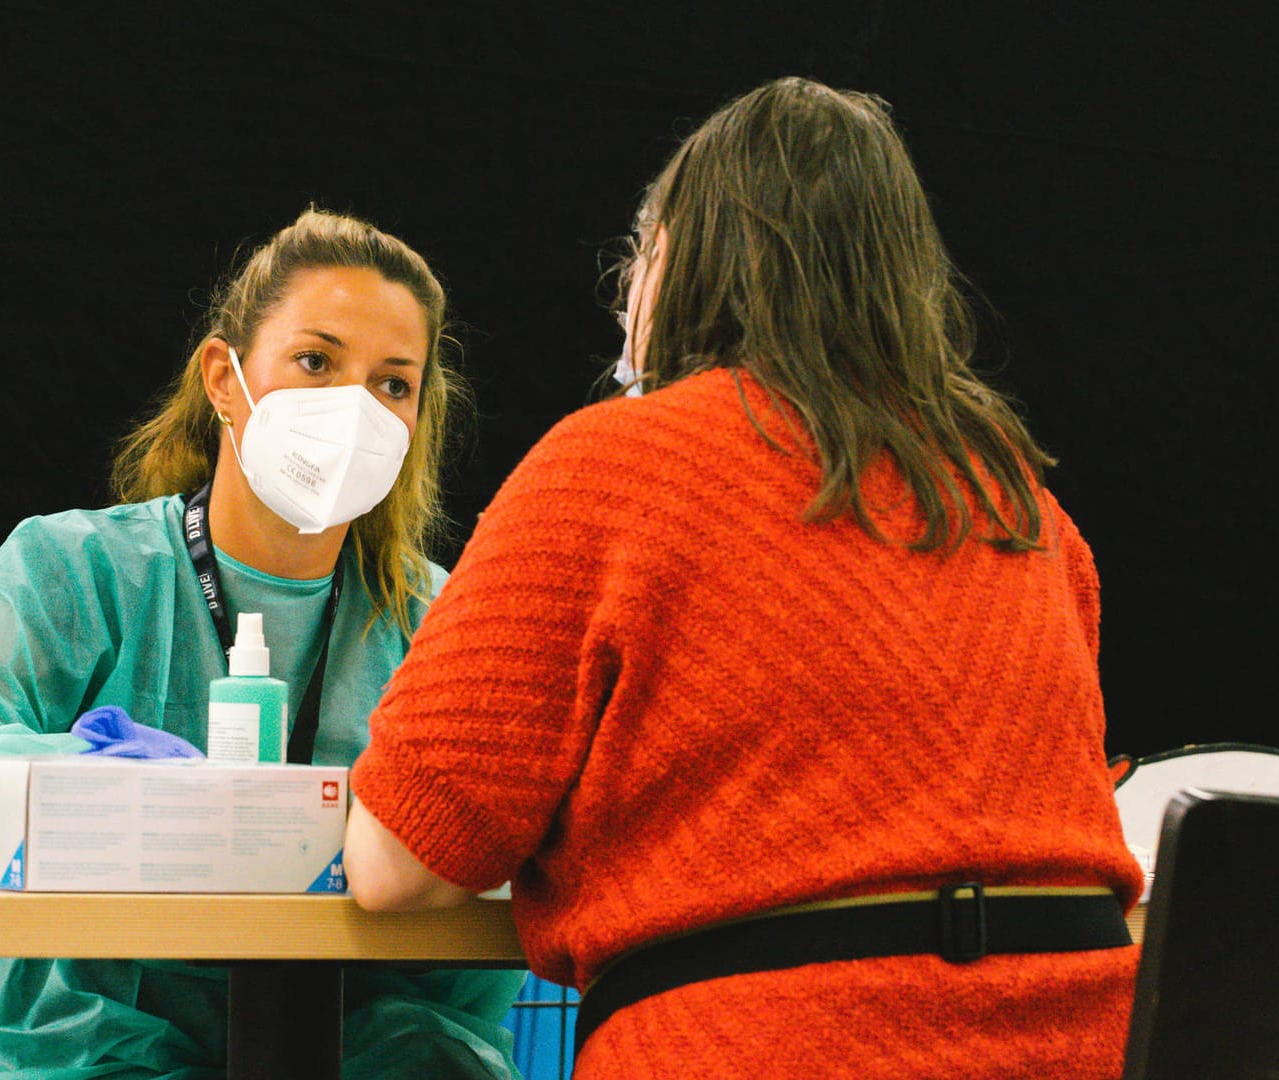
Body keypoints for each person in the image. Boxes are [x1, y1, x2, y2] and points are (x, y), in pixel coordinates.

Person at [343, 77, 1145, 1079]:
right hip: (1090, 1043)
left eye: (638, 257)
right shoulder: (1024, 508)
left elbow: (396, 864)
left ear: (672, 263)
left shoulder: (612, 467)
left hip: (758, 1043)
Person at [0, 208, 525, 1079]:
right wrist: (91, 780)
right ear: (225, 380)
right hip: (66, 1048)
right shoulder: (77, 573)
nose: (354, 409)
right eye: (315, 361)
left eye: (392, 384)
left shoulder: (445, 622)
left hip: (354, 1049)